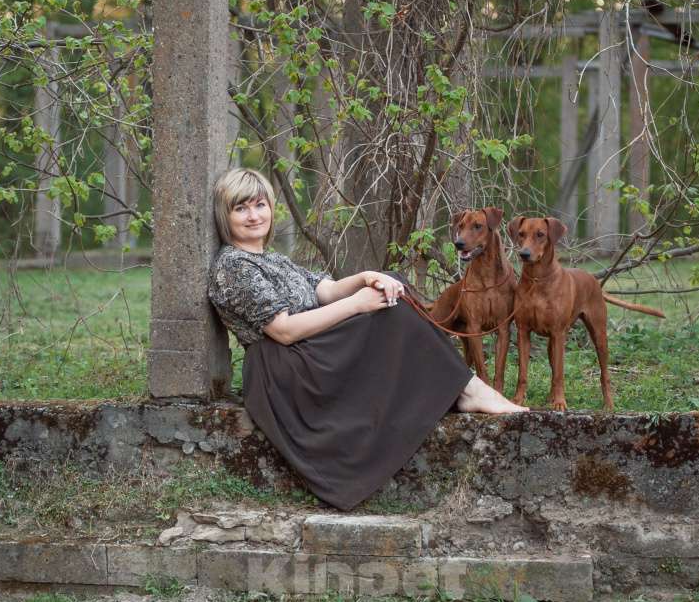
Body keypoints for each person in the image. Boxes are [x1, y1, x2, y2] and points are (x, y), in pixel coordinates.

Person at [207, 168, 527, 510]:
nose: (254, 216)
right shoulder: (234, 266)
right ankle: (468, 390)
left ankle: (463, 388)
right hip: (287, 372)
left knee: (391, 283)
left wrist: (366, 277)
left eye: (259, 205)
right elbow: (284, 331)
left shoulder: (270, 258)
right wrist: (357, 303)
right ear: (225, 217)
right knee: (393, 314)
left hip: (309, 351)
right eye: (241, 209)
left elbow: (325, 290)